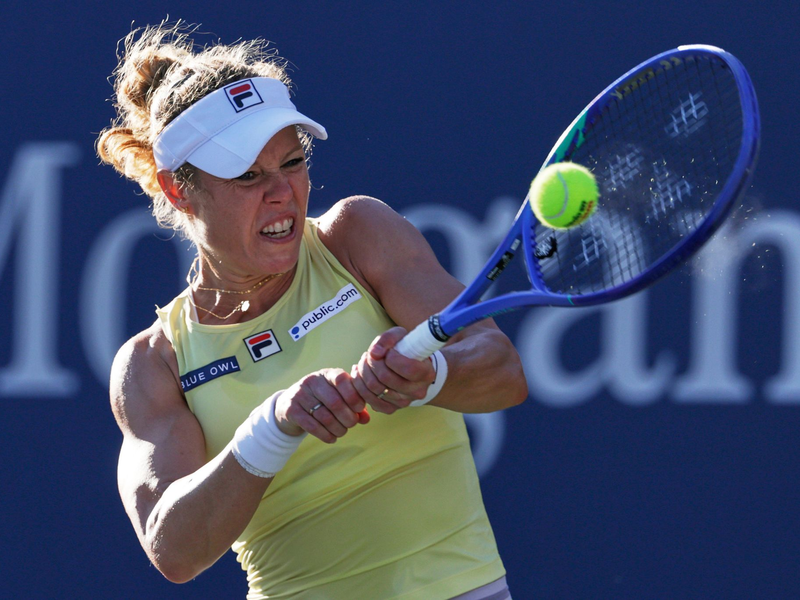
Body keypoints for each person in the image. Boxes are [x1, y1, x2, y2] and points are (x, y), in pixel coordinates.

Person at [98, 21, 527, 600]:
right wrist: (270, 427)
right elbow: (173, 549)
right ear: (178, 190)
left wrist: (429, 377)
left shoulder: (358, 235)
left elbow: (502, 371)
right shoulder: (154, 364)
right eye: (248, 175)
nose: (282, 193)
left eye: (292, 163)